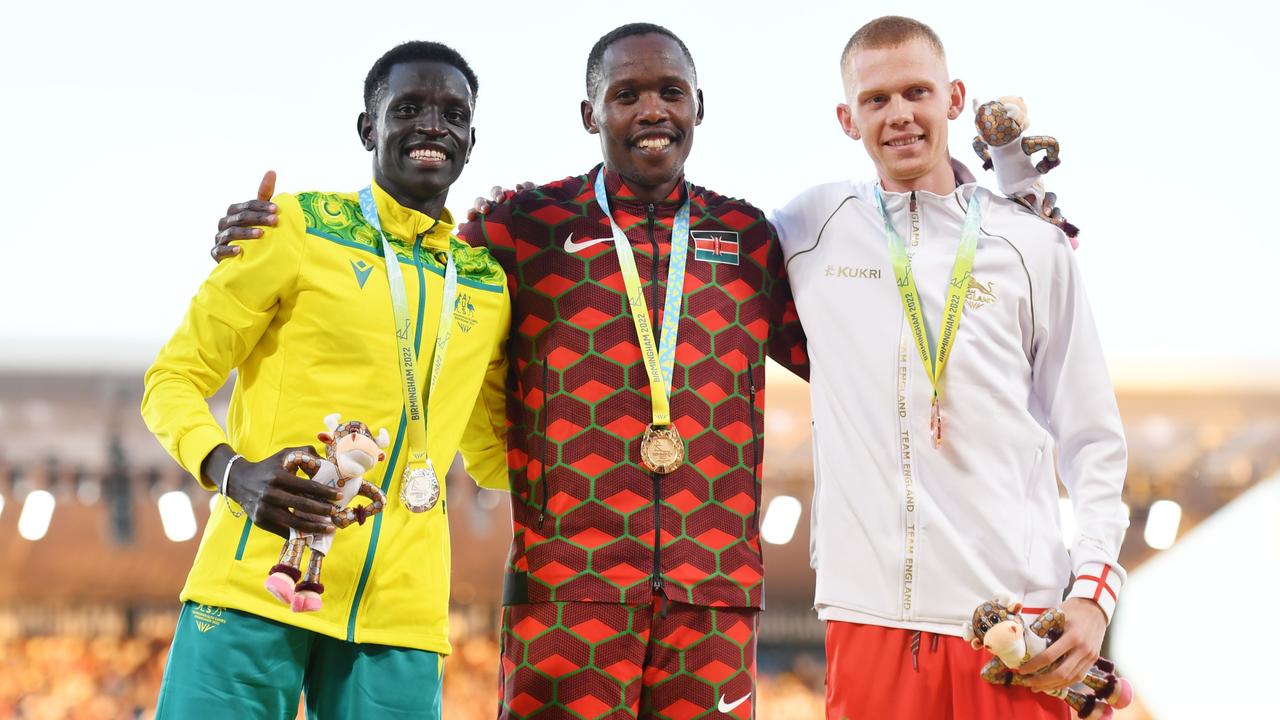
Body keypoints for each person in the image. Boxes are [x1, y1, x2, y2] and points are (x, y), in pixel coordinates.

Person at [770, 16, 1128, 719]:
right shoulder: (812, 227)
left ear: (954, 98)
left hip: (1012, 623)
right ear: (847, 118)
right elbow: (690, 244)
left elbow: (1093, 439)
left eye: (916, 92)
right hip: (866, 621)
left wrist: (1091, 591)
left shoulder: (1031, 246)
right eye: (876, 100)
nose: (899, 114)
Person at [141, 40, 510, 719]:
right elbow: (171, 379)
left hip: (399, 617)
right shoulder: (296, 228)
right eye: (409, 109)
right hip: (255, 584)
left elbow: (493, 458)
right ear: (368, 129)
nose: (433, 126)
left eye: (452, 114)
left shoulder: (488, 285)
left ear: (471, 138)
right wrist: (232, 472)